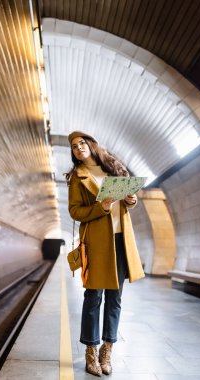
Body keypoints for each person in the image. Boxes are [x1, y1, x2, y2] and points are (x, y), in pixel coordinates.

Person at [66, 130, 145, 377]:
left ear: (91, 144)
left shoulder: (112, 168)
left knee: (115, 297)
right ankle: (91, 351)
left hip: (121, 240)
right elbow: (75, 212)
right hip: (97, 243)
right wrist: (100, 207)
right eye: (74, 146)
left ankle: (107, 351)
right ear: (74, 153)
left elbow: (128, 204)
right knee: (93, 296)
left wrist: (131, 200)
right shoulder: (78, 178)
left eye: (82, 143)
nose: (79, 147)